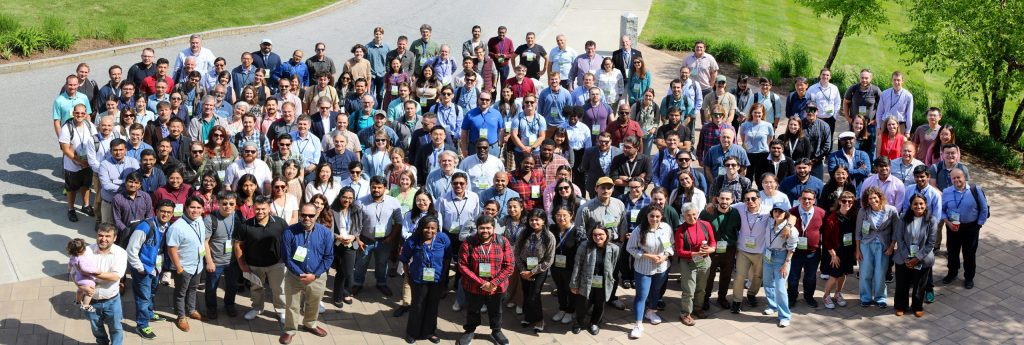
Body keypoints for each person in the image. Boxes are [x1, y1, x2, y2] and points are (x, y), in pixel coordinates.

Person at [279, 204, 335, 344]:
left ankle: (310, 324)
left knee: (313, 303)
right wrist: (300, 274)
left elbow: (328, 257)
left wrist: (314, 275)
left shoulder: (326, 233)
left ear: (316, 215)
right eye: (304, 215)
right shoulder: (289, 232)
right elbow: (287, 258)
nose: (307, 218)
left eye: (311, 215)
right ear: (300, 215)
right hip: (294, 276)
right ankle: (290, 330)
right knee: (292, 305)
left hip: (317, 277)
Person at [457, 215, 514, 345]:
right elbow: (462, 266)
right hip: (474, 286)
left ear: (493, 228)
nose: (485, 231)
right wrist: (482, 283)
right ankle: (470, 330)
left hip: (497, 287)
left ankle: (496, 331)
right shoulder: (468, 243)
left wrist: (493, 283)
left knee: (496, 310)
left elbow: (509, 266)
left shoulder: (502, 241)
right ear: (477, 228)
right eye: (481, 228)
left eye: (488, 228)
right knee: (473, 309)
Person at [124, 200, 174, 339]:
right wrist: (140, 268)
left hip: (156, 268)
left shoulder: (167, 226)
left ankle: (149, 314)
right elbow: (131, 250)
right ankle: (142, 325)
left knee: (151, 293)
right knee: (143, 298)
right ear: (156, 211)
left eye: (169, 212)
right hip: (144, 269)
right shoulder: (145, 227)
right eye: (163, 211)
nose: (165, 214)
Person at [234, 196, 288, 322]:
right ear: (253, 208)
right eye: (257, 209)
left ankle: (281, 310)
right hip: (254, 265)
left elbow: (288, 241)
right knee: (256, 288)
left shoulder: (280, 223)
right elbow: (238, 245)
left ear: (269, 209)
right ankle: (257, 308)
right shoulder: (246, 226)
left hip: (276, 264)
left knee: (279, 289)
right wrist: (242, 265)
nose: (260, 212)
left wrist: (288, 260)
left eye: (263, 209)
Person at [626, 207, 674, 339]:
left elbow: (671, 245)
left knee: (656, 291)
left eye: (657, 216)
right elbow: (630, 248)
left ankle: (651, 312)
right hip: (643, 268)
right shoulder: (639, 230)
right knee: (641, 295)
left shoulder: (666, 228)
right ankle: (638, 324)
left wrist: (665, 256)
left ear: (661, 216)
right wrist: (648, 256)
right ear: (647, 216)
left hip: (662, 267)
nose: (655, 219)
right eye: (652, 216)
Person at [400, 216, 450, 344]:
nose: (429, 230)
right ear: (421, 228)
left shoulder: (443, 238)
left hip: (437, 280)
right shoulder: (413, 240)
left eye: (433, 228)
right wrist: (408, 276)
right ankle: (412, 332)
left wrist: (444, 276)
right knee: (417, 306)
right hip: (418, 279)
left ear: (437, 229)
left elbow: (447, 258)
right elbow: (405, 260)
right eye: (426, 227)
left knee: (433, 306)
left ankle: (429, 332)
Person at [352, 176, 404, 297]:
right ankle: (357, 283)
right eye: (373, 187)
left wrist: (391, 238)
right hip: (365, 240)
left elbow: (399, 222)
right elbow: (355, 223)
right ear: (370, 187)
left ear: (385, 188)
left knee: (382, 263)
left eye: (379, 187)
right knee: (361, 263)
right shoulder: (360, 202)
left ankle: (381, 283)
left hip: (385, 240)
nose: (376, 190)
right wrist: (358, 240)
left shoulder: (393, 202)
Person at [940, 169, 989, 289]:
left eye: (959, 177)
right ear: (950, 180)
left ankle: (969, 278)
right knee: (952, 252)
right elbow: (941, 210)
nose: (956, 180)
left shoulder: (975, 190)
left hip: (971, 228)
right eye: (954, 178)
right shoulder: (946, 192)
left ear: (964, 177)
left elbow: (984, 209)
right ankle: (952, 273)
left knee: (969, 254)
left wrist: (978, 225)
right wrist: (947, 222)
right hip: (953, 227)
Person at [82, 224, 129, 345]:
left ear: (115, 238)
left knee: (116, 329)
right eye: (100, 235)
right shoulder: (86, 251)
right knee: (97, 329)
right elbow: (76, 272)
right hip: (91, 301)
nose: (103, 239)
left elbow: (115, 276)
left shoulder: (121, 253)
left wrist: (89, 273)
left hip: (112, 301)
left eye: (108, 236)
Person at [166, 196, 208, 331]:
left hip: (198, 265)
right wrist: (178, 268)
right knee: (180, 293)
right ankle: (181, 316)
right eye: (192, 207)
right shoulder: (176, 227)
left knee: (193, 289)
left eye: (198, 208)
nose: (195, 211)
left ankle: (191, 310)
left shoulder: (200, 220)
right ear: (186, 208)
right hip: (184, 267)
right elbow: (171, 249)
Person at [569, 225, 619, 335]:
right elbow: (577, 265)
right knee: (583, 304)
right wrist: (574, 283)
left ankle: (594, 323)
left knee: (600, 304)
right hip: (585, 281)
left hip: (603, 282)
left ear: (607, 235)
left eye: (601, 234)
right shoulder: (584, 246)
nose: (597, 237)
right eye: (594, 234)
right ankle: (579, 322)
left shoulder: (614, 248)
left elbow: (613, 265)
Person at [894, 194, 938, 317]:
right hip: (904, 257)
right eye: (915, 204)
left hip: (922, 258)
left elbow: (931, 243)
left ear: (925, 205)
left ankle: (917, 306)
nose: (918, 206)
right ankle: (901, 306)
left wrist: (917, 258)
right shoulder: (903, 218)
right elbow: (899, 238)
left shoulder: (932, 220)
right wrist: (907, 257)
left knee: (920, 284)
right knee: (902, 283)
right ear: (911, 206)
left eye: (921, 204)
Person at [856, 186, 899, 308]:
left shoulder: (891, 210)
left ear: (880, 197)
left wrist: (892, 246)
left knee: (880, 273)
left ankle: (880, 297)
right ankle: (865, 297)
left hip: (883, 246)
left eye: (874, 198)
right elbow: (858, 232)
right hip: (866, 245)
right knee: (865, 273)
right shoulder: (863, 211)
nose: (872, 201)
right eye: (869, 198)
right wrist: (857, 250)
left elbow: (896, 231)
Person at [202, 192, 243, 319]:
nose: (228, 206)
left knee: (232, 285)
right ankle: (211, 307)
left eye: (231, 204)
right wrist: (209, 261)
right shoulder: (210, 219)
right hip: (216, 261)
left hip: (233, 260)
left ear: (235, 204)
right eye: (224, 204)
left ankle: (229, 304)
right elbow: (205, 242)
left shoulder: (238, 216)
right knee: (211, 287)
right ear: (218, 203)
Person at [514, 209, 556, 332]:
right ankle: (529, 317)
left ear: (543, 221)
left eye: (537, 219)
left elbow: (549, 260)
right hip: (524, 268)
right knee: (526, 294)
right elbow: (516, 252)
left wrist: (531, 272)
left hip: (539, 269)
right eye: (531, 219)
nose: (533, 222)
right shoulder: (523, 232)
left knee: (534, 295)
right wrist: (523, 270)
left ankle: (539, 320)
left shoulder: (549, 236)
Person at [674, 203, 715, 326]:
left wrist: (711, 249)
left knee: (701, 288)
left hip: (704, 260)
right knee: (689, 290)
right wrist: (695, 253)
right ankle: (685, 313)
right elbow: (680, 251)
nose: (692, 218)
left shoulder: (705, 225)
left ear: (698, 214)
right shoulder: (681, 230)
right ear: (683, 216)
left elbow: (713, 241)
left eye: (694, 214)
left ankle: (697, 308)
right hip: (688, 262)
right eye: (688, 215)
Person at [700, 191, 741, 310]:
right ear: (717, 198)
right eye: (722, 198)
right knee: (709, 275)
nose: (724, 201)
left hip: (729, 249)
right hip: (711, 249)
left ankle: (722, 298)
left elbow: (738, 228)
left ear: (732, 200)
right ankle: (705, 298)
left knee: (726, 275)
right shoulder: (708, 212)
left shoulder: (735, 213)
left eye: (727, 199)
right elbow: (700, 228)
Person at [761, 201, 798, 327]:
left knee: (780, 287)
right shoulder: (770, 221)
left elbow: (792, 248)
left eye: (781, 211)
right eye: (775, 211)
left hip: (781, 257)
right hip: (767, 255)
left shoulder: (791, 230)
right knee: (767, 283)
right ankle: (773, 305)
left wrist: (786, 264)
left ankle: (785, 316)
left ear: (786, 213)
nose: (777, 213)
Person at [59, 104, 97, 222]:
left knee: (86, 185)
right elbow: (65, 149)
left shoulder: (89, 125)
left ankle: (85, 206)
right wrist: (80, 161)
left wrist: (89, 161)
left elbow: (95, 141)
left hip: (87, 163)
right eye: (77, 113)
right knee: (71, 188)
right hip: (72, 164)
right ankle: (71, 209)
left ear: (86, 114)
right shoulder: (67, 128)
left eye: (82, 113)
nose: (80, 115)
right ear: (73, 113)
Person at [787, 189, 825, 308]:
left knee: (810, 277)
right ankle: (792, 297)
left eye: (810, 199)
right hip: (795, 252)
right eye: (804, 198)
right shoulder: (791, 212)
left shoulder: (821, 213)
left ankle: (809, 297)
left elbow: (825, 232)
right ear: (799, 199)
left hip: (813, 253)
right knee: (793, 277)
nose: (807, 201)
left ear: (814, 200)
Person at [731, 189, 765, 313]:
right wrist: (712, 205)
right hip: (743, 251)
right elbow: (724, 206)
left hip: (760, 251)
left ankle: (751, 294)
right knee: (739, 276)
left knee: (758, 276)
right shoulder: (739, 207)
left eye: (753, 199)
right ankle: (736, 301)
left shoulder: (767, 211)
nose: (750, 202)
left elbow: (787, 216)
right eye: (747, 199)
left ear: (759, 199)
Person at [806, 69, 841, 140]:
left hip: (830, 119)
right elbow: (806, 102)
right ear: (820, 76)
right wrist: (810, 117)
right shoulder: (812, 88)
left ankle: (828, 151)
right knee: (815, 139)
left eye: (827, 75)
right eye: (823, 74)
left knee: (828, 139)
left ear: (830, 77)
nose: (825, 76)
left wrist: (834, 117)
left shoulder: (834, 88)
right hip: (816, 119)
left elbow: (837, 102)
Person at [802, 102, 833, 179]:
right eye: (808, 110)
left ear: (817, 111)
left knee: (817, 185)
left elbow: (827, 145)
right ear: (805, 111)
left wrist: (815, 158)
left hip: (817, 162)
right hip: (801, 162)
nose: (810, 112)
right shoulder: (800, 124)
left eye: (813, 110)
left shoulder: (824, 126)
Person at [68, 238, 98, 312]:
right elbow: (84, 269)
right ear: (83, 249)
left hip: (78, 278)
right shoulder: (82, 259)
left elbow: (69, 266)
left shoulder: (72, 257)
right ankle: (86, 305)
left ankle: (77, 301)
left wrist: (69, 269)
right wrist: (96, 271)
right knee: (90, 292)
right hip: (86, 280)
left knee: (80, 290)